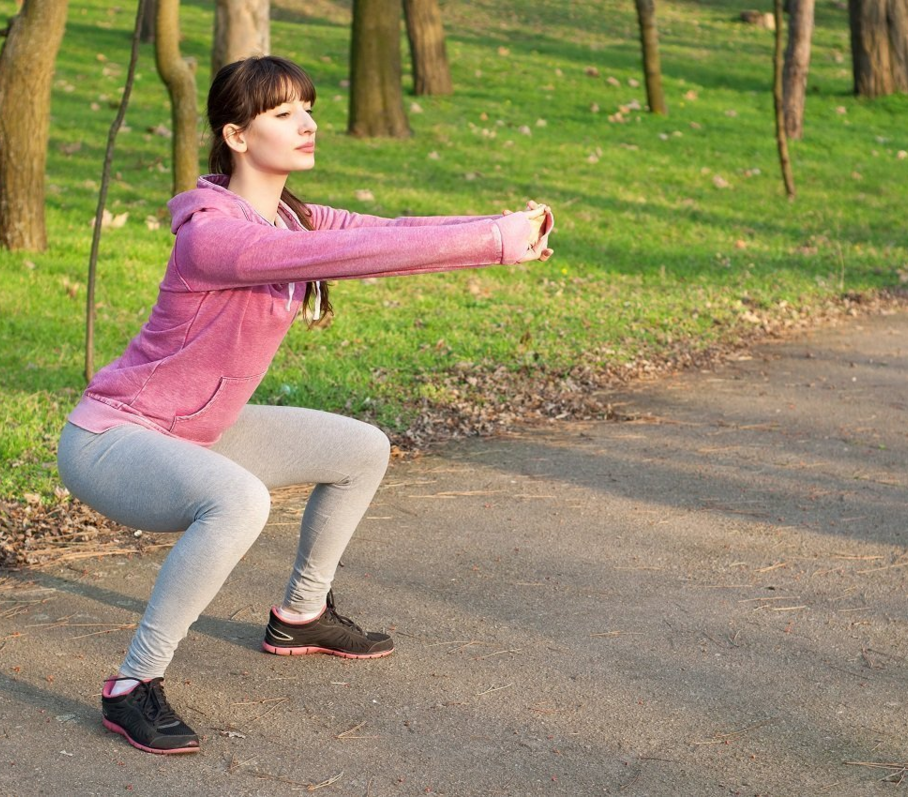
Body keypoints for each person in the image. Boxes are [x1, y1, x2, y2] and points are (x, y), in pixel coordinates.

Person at [56, 55, 554, 756]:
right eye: (284, 112)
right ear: (236, 135)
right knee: (240, 501)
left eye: (309, 107)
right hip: (112, 440)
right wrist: (494, 242)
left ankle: (300, 614)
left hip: (197, 431)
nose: (308, 122)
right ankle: (132, 685)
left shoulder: (295, 219)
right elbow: (356, 256)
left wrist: (500, 227)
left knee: (361, 449)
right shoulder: (216, 235)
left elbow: (388, 234)